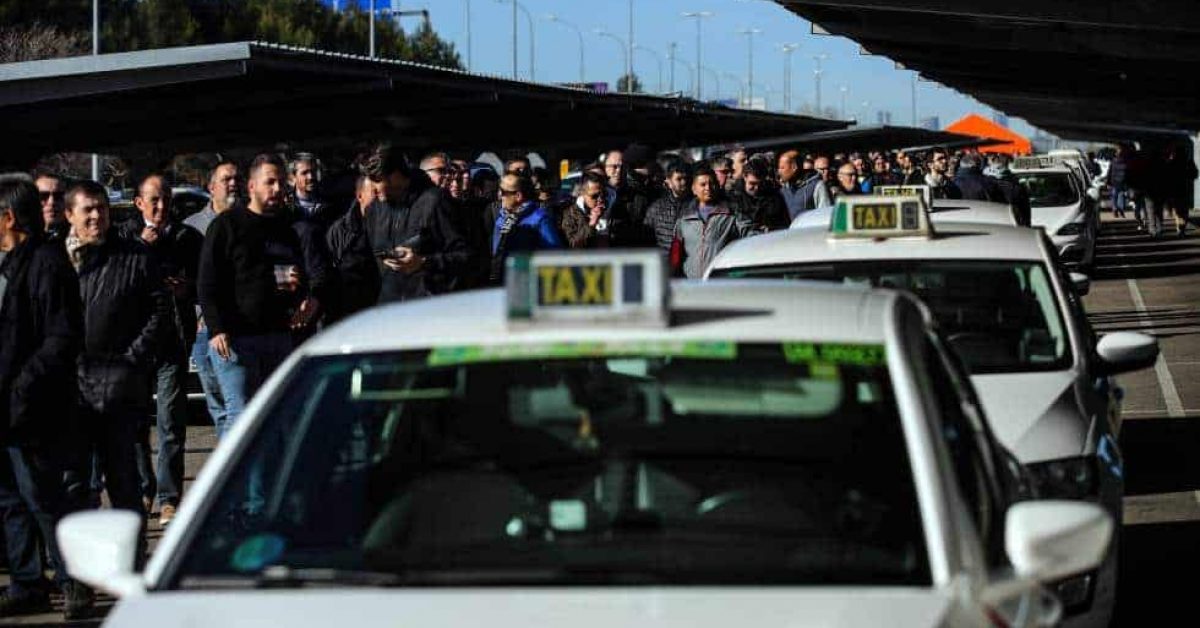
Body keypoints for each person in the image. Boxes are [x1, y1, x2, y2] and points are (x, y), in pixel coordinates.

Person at [0, 177, 91, 620]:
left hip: (36, 408)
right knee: (10, 499)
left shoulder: (45, 264)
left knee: (45, 497)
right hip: (7, 408)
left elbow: (60, 339)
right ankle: (26, 581)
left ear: (9, 217)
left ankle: (73, 581)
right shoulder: (7, 265)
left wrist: (21, 387)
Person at [64, 179, 166, 539]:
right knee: (75, 487)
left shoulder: (135, 257)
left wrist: (129, 363)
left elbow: (158, 313)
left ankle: (133, 567)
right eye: (87, 209)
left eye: (102, 208)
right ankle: (77, 579)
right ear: (69, 215)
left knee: (124, 484)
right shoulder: (56, 261)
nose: (96, 216)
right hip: (69, 393)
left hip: (120, 390)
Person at [198, 154, 313, 439]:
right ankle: (237, 482)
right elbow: (207, 281)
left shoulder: (286, 229)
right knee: (242, 420)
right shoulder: (226, 226)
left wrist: (300, 293)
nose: (277, 189)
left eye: (280, 183)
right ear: (251, 186)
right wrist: (217, 328)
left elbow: (298, 276)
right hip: (236, 339)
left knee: (277, 418)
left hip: (277, 334)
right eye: (269, 182)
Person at [120, 174, 201, 526]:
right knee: (136, 424)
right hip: (135, 343)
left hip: (173, 339)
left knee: (170, 423)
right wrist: (141, 246)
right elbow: (115, 281)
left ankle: (170, 497)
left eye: (166, 198)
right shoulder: (124, 236)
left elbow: (203, 282)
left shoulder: (186, 237)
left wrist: (186, 289)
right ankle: (143, 488)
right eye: (153, 199)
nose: (161, 206)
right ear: (139, 203)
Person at [361, 144, 472, 302]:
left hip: (427, 309)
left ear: (395, 176)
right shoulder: (376, 208)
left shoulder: (435, 202)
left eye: (377, 180)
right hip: (388, 309)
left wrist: (423, 262)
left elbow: (466, 257)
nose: (372, 187)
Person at [183, 161, 238, 438]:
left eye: (236, 178)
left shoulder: (247, 221)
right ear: (211, 186)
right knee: (218, 405)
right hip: (204, 329)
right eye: (226, 179)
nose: (233, 184)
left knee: (239, 403)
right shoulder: (192, 229)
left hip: (241, 326)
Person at [669, 167, 754, 279]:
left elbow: (751, 238)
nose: (708, 188)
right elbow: (676, 255)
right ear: (694, 189)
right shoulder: (684, 218)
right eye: (703, 184)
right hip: (691, 286)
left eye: (711, 183)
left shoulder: (731, 213)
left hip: (721, 283)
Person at [489, 173, 564, 284]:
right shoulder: (501, 218)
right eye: (499, 190)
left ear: (518, 196)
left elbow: (554, 255)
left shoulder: (539, 219)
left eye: (504, 192)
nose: (499, 195)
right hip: (504, 283)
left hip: (530, 284)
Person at [326, 175, 383, 320]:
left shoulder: (391, 223)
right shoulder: (341, 230)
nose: (380, 197)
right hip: (351, 311)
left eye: (381, 191)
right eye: (374, 192)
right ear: (360, 196)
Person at [562, 172, 621, 249]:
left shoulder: (617, 208)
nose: (600, 199)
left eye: (603, 194)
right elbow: (574, 245)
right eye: (594, 196)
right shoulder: (571, 214)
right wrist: (591, 224)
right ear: (582, 194)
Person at [643, 161, 693, 252]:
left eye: (686, 178)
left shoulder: (696, 206)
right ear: (668, 182)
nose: (684, 182)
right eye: (679, 179)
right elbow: (647, 238)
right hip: (664, 259)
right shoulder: (657, 208)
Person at [730, 159, 789, 232]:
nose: (757, 188)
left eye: (760, 184)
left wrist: (770, 228)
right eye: (752, 183)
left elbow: (784, 223)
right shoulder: (734, 198)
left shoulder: (774, 196)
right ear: (745, 177)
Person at [778, 150, 832, 220]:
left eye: (782, 168)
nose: (779, 171)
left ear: (794, 167)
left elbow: (825, 216)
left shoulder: (817, 186)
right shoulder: (783, 190)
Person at [984, 154, 1033, 227]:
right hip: (1012, 224)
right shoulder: (1017, 187)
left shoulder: (983, 186)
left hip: (990, 224)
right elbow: (1025, 213)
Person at [1163, 144, 1198, 237]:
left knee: (1177, 209)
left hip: (1174, 189)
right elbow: (1194, 174)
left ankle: (1180, 226)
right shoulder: (1188, 162)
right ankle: (1181, 227)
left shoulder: (1171, 162)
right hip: (1186, 188)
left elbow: (1165, 175)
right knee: (1184, 210)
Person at [33, 172, 68, 241]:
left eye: (58, 196)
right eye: (43, 196)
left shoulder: (82, 240)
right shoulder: (18, 239)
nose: (51, 202)